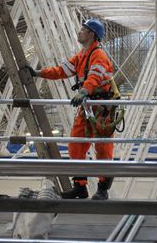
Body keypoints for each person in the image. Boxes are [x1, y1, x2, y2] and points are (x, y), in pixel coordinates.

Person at [26, 18, 115, 200]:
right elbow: (62, 71)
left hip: (102, 109)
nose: (79, 32)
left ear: (92, 34)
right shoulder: (82, 56)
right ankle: (80, 187)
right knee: (76, 145)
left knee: (103, 148)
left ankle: (102, 189)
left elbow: (95, 76)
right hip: (88, 107)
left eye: (83, 29)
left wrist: (83, 91)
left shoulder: (99, 55)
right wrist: (39, 73)